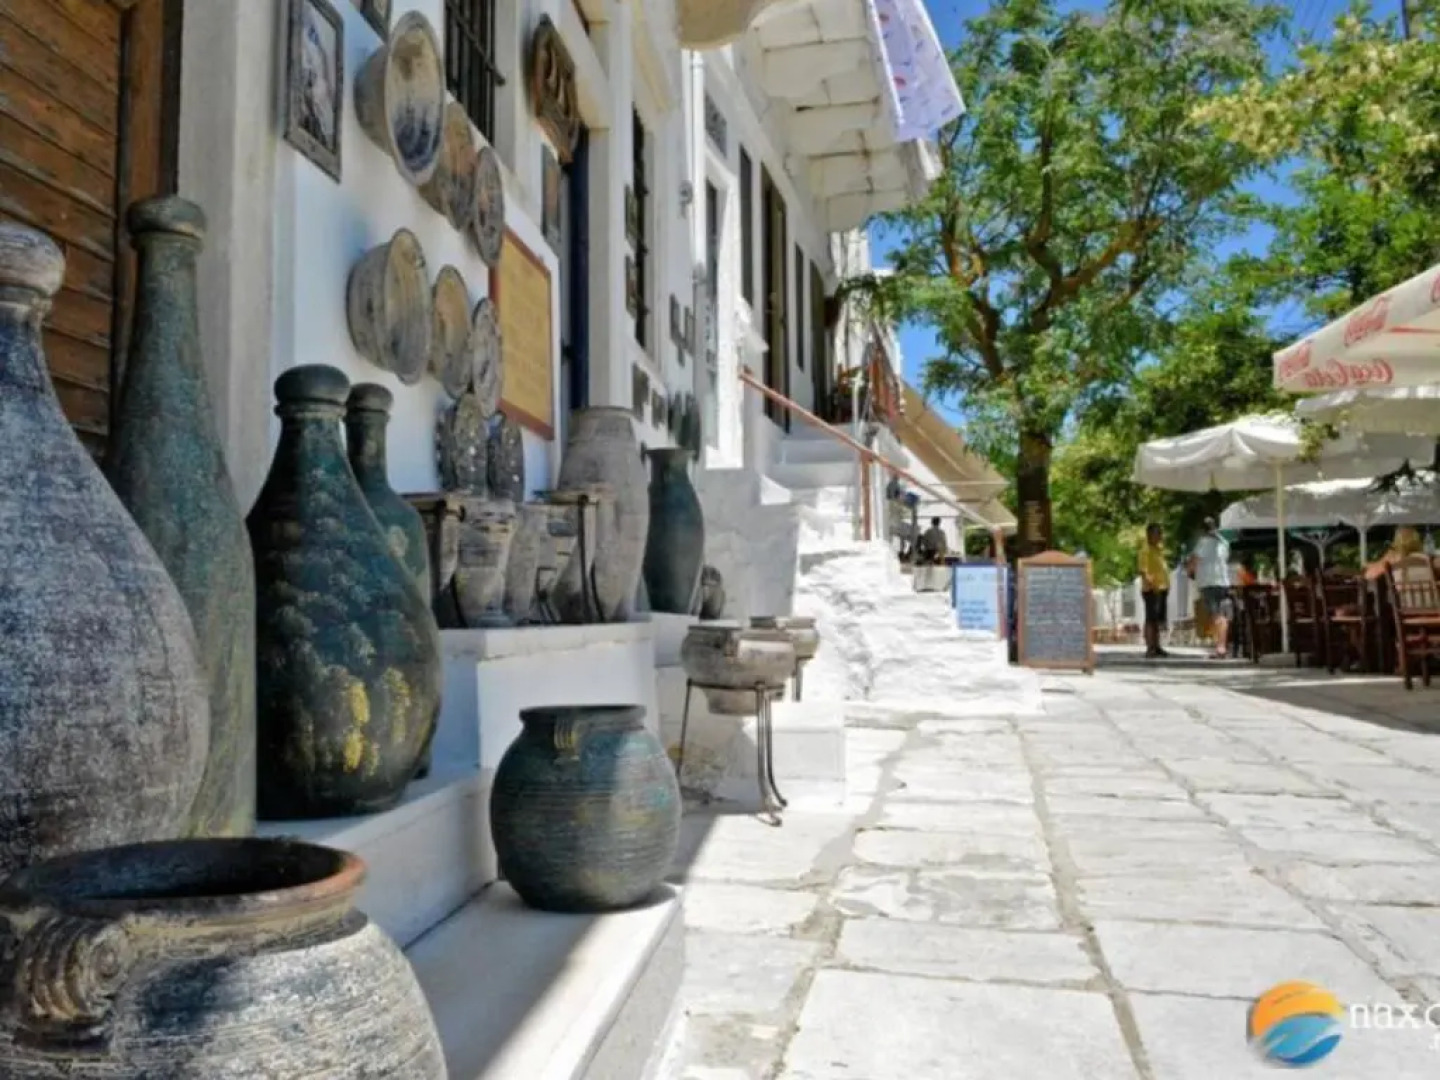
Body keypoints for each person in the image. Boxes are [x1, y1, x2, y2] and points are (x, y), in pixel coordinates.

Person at [1186, 517, 1233, 660]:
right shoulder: (1224, 542)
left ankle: (1220, 647)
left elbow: (1194, 560)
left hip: (1209, 582)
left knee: (1216, 615)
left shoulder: (1203, 542)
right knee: (1222, 615)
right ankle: (1221, 645)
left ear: (1202, 530)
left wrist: (1190, 571)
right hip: (1223, 582)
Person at [1138, 523, 1170, 659]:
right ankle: (1150, 647)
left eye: (1160, 534)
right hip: (1151, 589)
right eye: (1157, 533)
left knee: (1157, 620)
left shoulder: (1159, 550)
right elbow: (1143, 571)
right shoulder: (1145, 550)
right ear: (1149, 535)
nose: (1159, 536)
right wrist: (1152, 584)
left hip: (1162, 588)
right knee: (1151, 619)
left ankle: (1157, 646)